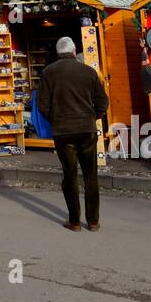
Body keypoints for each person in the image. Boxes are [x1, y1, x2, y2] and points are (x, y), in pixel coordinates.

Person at [38, 36, 108, 232]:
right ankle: (93, 221)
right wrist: (93, 116)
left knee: (69, 175)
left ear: (58, 52)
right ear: (74, 50)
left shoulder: (48, 72)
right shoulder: (88, 71)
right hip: (87, 129)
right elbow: (103, 102)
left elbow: (42, 105)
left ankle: (74, 221)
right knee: (90, 175)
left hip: (63, 131)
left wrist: (56, 119)